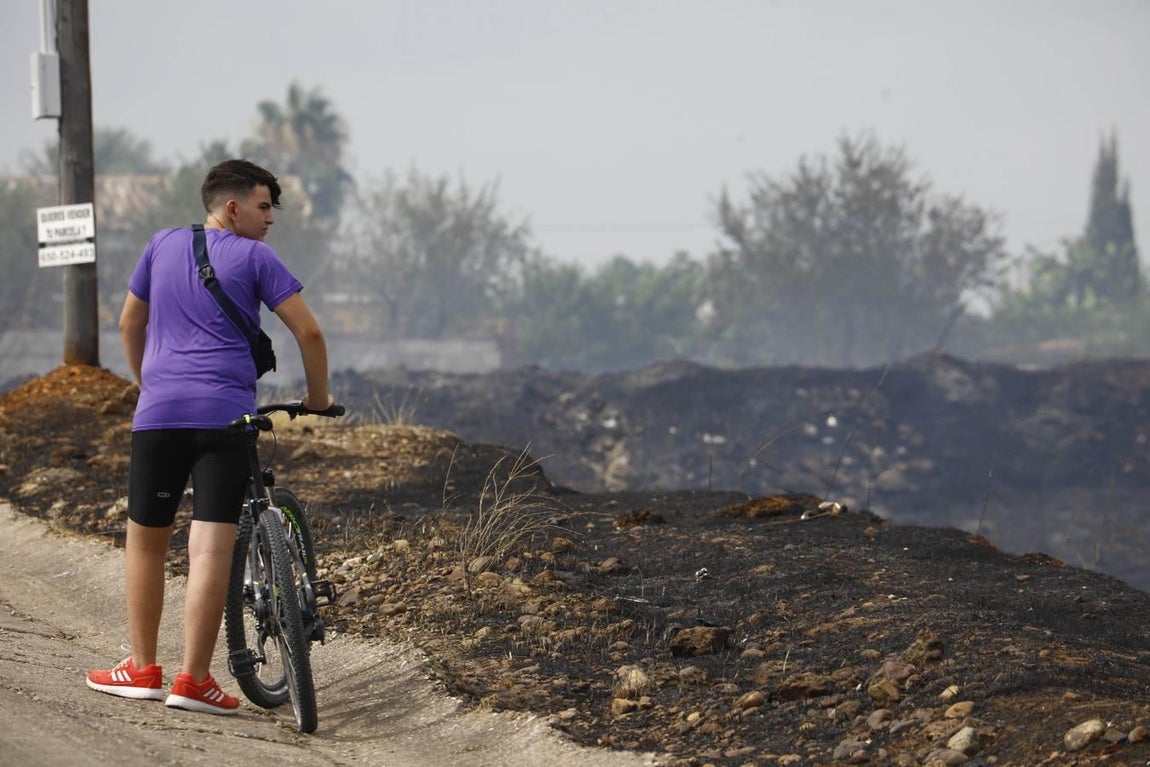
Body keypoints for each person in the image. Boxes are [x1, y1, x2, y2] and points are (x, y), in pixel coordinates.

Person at [86, 159, 334, 715]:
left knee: (147, 541)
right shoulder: (256, 257)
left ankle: (143, 668)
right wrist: (318, 399)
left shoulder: (160, 245)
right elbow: (309, 331)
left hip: (158, 415)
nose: (271, 219)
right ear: (232, 207)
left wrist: (148, 384)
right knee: (208, 548)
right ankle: (193, 680)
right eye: (264, 206)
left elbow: (130, 323)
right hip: (224, 417)